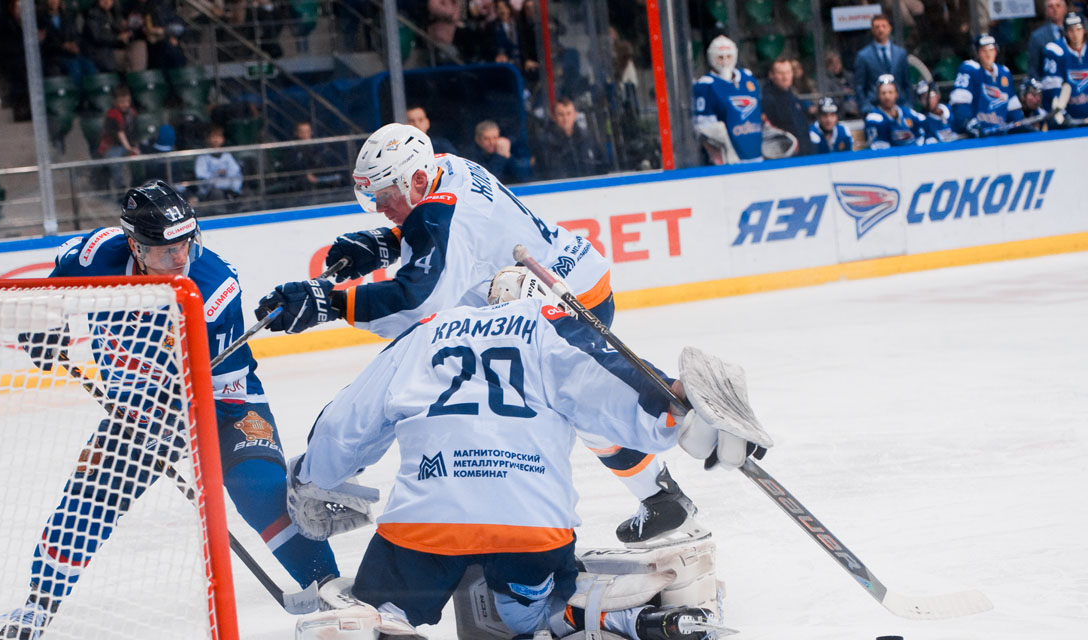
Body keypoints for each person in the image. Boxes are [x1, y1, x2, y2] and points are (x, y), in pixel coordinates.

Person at [289, 274, 766, 640]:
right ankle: (615, 619)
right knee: (532, 611)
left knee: (383, 604)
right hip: (530, 525)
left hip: (428, 521)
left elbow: (347, 421)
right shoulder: (549, 324)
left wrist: (317, 476)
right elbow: (612, 384)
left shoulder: (424, 333)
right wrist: (678, 408)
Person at [254, 122, 698, 544]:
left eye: (385, 196)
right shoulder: (446, 165)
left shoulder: (441, 214)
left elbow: (417, 302)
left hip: (556, 300)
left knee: (573, 400)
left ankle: (640, 479)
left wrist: (330, 303)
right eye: (372, 199)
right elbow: (443, 230)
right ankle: (661, 496)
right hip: (574, 276)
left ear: (417, 179)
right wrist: (389, 242)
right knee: (582, 402)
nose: (381, 208)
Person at [0, 181, 341, 640]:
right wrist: (45, 327)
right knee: (91, 496)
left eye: (186, 243)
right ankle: (38, 604)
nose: (180, 257)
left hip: (225, 399)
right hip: (139, 408)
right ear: (135, 247)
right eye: (165, 250)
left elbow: (211, 388)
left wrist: (168, 425)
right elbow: (52, 290)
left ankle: (334, 593)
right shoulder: (95, 256)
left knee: (258, 488)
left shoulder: (214, 288)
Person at [692, 35, 763, 164]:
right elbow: (704, 128)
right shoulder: (706, 85)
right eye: (720, 57)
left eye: (729, 56)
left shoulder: (747, 77)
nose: (725, 61)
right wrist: (718, 152)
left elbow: (758, 113)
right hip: (731, 160)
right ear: (711, 58)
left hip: (757, 154)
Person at [950, 33, 1022, 137]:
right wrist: (968, 123)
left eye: (991, 50)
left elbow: (1013, 108)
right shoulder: (969, 69)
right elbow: (960, 103)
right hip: (974, 139)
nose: (988, 55)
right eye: (984, 51)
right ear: (976, 53)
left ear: (996, 51)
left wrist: (1018, 122)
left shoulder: (1004, 73)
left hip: (999, 136)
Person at [535, 96, 607, 179]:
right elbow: (541, 174)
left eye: (568, 114)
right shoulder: (546, 144)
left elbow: (602, 168)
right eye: (561, 115)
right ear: (554, 117)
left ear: (575, 115)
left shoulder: (588, 139)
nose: (565, 119)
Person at [853, 14, 912, 114]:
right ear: (872, 30)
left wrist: (908, 105)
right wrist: (866, 108)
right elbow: (859, 86)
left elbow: (907, 83)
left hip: (900, 107)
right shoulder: (863, 56)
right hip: (874, 108)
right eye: (877, 27)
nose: (881, 30)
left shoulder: (900, 54)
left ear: (889, 28)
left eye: (884, 26)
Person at [1042, 12, 1088, 126]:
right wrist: (1061, 115)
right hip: (1068, 120)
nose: (1075, 34)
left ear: (1084, 30)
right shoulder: (1055, 50)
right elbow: (1052, 89)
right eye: (1071, 30)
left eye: (1078, 29)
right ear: (1066, 32)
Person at [762, 57, 814, 157]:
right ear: (771, 75)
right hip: (784, 158)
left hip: (804, 156)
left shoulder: (793, 97)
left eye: (788, 72)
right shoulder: (768, 100)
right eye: (780, 73)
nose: (785, 77)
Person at [863, 74, 926, 148]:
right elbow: (879, 148)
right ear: (878, 95)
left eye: (890, 92)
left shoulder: (908, 113)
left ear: (896, 94)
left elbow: (922, 134)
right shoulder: (874, 118)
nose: (887, 97)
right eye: (883, 93)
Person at [193, 123, 244, 206]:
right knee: (217, 194)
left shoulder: (227, 155)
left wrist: (232, 185)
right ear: (207, 139)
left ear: (223, 139)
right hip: (211, 191)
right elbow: (201, 175)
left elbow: (235, 171)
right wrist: (216, 174)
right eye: (213, 137)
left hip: (229, 188)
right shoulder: (202, 157)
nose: (216, 140)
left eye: (219, 136)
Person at [81, 0, 134, 74]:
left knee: (137, 51)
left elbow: (120, 30)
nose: (107, 2)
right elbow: (97, 37)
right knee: (131, 59)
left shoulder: (115, 12)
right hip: (99, 52)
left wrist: (125, 35)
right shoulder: (92, 14)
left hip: (114, 49)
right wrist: (117, 37)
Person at [1029, 0, 1067, 82]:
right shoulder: (1037, 36)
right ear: (1046, 11)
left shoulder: (1077, 32)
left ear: (1065, 9)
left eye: (1058, 5)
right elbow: (1034, 69)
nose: (1055, 9)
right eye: (1050, 6)